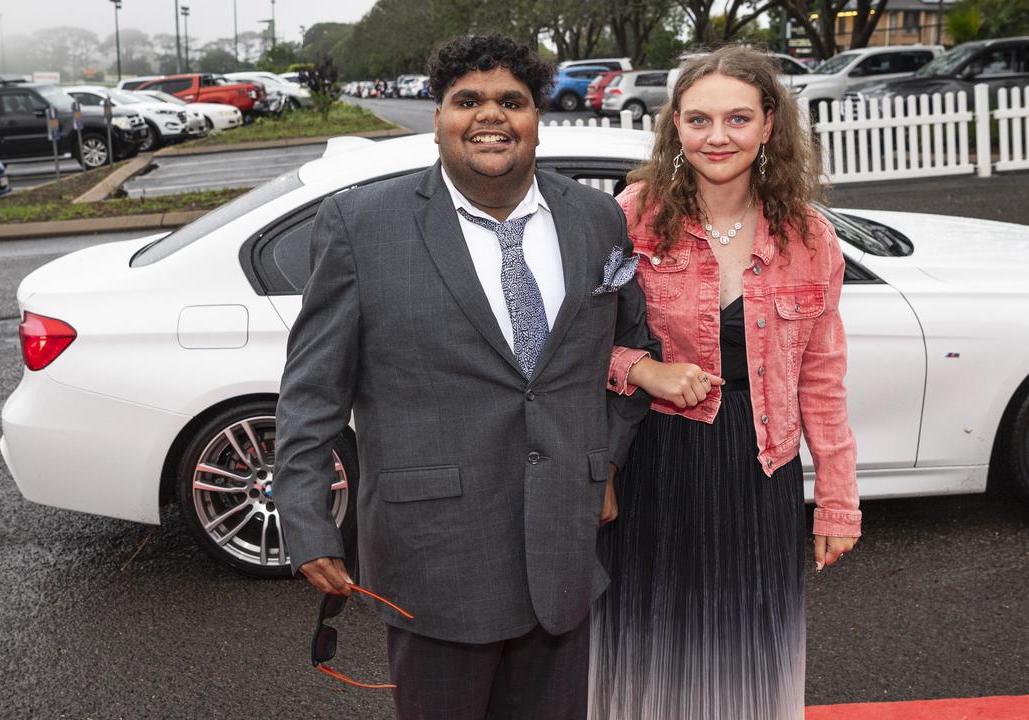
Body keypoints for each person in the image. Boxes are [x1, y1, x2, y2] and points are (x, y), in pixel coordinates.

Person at [274, 33, 657, 720]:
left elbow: (631, 350)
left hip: (564, 550)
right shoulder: (361, 224)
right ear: (438, 116)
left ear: (537, 115)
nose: (490, 116)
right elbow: (313, 394)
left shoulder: (597, 219)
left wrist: (604, 465)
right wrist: (306, 522)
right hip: (436, 557)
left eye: (511, 100)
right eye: (467, 101)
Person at [590, 45, 861, 720]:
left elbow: (822, 377)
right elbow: (568, 344)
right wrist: (641, 369)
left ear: (769, 124)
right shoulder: (632, 218)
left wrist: (836, 501)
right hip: (653, 457)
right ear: (674, 125)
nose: (718, 137)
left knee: (751, 646)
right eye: (699, 119)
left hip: (760, 465)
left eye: (738, 119)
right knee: (653, 647)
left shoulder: (810, 236)